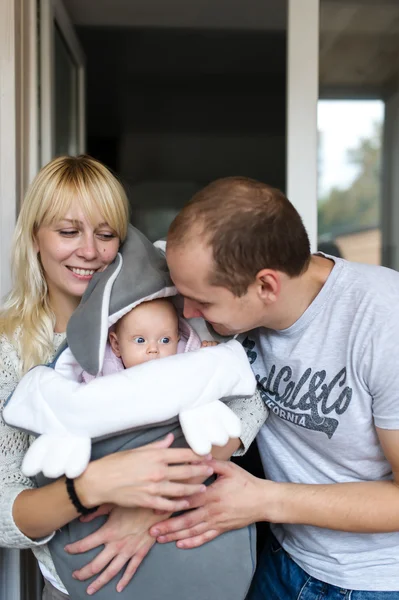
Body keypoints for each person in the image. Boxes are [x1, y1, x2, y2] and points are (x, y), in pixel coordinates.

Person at [149, 175, 399, 599]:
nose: (187, 312)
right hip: (282, 558)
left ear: (266, 285)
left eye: (203, 302)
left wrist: (265, 501)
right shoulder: (229, 306)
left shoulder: (382, 319)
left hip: (372, 582)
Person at [0, 156, 217, 600]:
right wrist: (94, 486)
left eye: (105, 234)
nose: (90, 252)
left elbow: (246, 406)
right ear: (35, 238)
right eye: (67, 232)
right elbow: (5, 514)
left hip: (189, 567)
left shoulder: (162, 313)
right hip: (78, 583)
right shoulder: (10, 350)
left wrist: (148, 505)